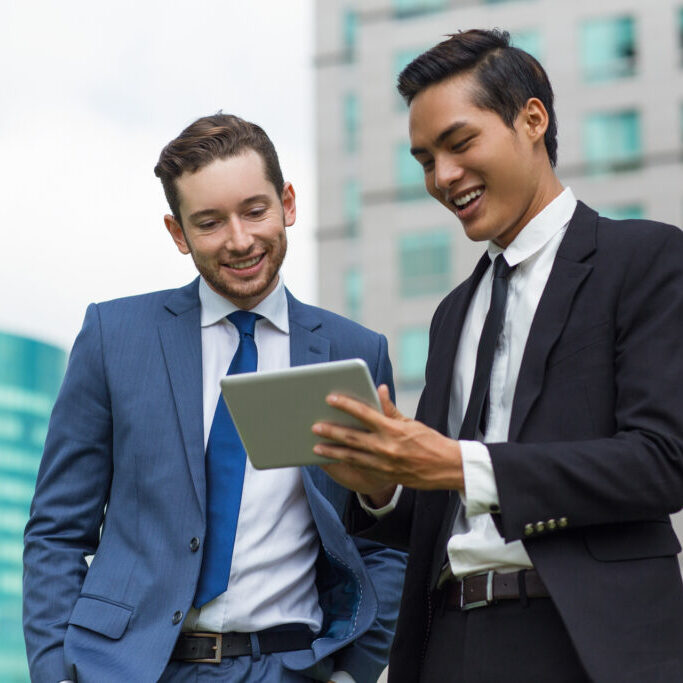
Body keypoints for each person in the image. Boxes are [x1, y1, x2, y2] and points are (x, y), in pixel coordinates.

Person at [312, 29, 683, 682]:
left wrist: (458, 461)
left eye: (459, 143)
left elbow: (661, 461)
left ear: (532, 119)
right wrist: (380, 483)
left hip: (587, 644)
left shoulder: (647, 259)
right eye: (425, 159)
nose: (442, 177)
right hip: (447, 642)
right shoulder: (453, 311)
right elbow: (436, 505)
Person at [23, 113, 406, 683]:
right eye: (209, 222)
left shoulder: (354, 352)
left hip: (292, 668)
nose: (240, 239)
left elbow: (383, 541)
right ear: (178, 233)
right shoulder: (114, 336)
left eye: (255, 210)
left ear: (289, 204)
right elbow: (56, 531)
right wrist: (56, 673)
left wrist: (356, 670)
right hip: (128, 669)